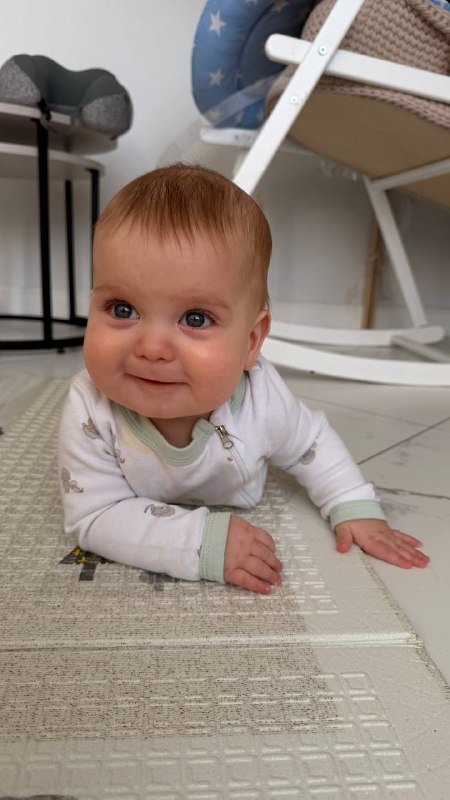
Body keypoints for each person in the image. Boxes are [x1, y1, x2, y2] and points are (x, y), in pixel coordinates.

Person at [58, 164, 429, 593]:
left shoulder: (261, 398)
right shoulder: (90, 407)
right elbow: (95, 515)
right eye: (122, 309)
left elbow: (310, 444)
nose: (152, 348)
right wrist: (199, 541)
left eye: (195, 319)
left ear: (251, 342)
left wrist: (352, 503)